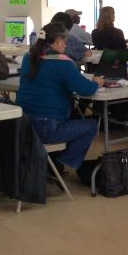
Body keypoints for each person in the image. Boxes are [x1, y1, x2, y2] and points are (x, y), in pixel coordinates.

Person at [17, 22, 103, 172]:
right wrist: (97, 83)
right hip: (47, 128)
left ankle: (53, 165)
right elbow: (85, 89)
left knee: (74, 119)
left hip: (23, 124)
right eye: (64, 41)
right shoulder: (62, 63)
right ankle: (60, 163)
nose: (65, 44)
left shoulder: (28, 58)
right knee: (91, 126)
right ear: (56, 40)